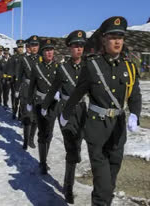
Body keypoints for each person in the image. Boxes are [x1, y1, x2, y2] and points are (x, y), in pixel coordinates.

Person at [60, 16, 142, 205]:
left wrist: (135, 115)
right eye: (113, 36)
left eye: (120, 36)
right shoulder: (92, 65)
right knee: (103, 186)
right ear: (104, 40)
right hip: (97, 130)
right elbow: (77, 93)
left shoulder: (129, 67)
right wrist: (65, 114)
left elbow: (135, 95)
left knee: (109, 183)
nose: (117, 41)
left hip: (118, 131)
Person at [41, 30, 87, 203]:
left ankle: (69, 179)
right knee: (71, 147)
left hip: (82, 110)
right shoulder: (63, 69)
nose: (79, 49)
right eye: (76, 46)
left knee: (77, 145)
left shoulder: (88, 67)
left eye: (82, 46)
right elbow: (53, 89)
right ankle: (69, 187)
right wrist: (45, 106)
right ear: (69, 48)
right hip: (66, 111)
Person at [27, 38, 59, 174]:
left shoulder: (58, 67)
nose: (49, 53)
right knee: (42, 132)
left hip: (53, 104)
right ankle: (42, 162)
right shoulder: (37, 68)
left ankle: (44, 157)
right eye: (46, 50)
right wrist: (29, 102)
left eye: (51, 50)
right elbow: (32, 86)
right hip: (40, 104)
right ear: (42, 53)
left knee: (50, 133)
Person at [15, 37, 38, 150]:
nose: (34, 47)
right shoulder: (24, 60)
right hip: (26, 90)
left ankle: (31, 139)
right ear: (29, 47)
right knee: (27, 117)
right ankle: (25, 140)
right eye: (32, 45)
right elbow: (19, 75)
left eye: (36, 45)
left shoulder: (41, 59)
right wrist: (16, 89)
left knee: (36, 118)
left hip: (38, 91)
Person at [11, 40, 25, 120]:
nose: (20, 49)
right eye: (19, 47)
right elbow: (11, 68)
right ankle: (14, 112)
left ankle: (20, 115)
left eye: (21, 47)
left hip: (23, 82)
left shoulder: (26, 57)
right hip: (15, 81)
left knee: (22, 99)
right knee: (15, 98)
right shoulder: (14, 57)